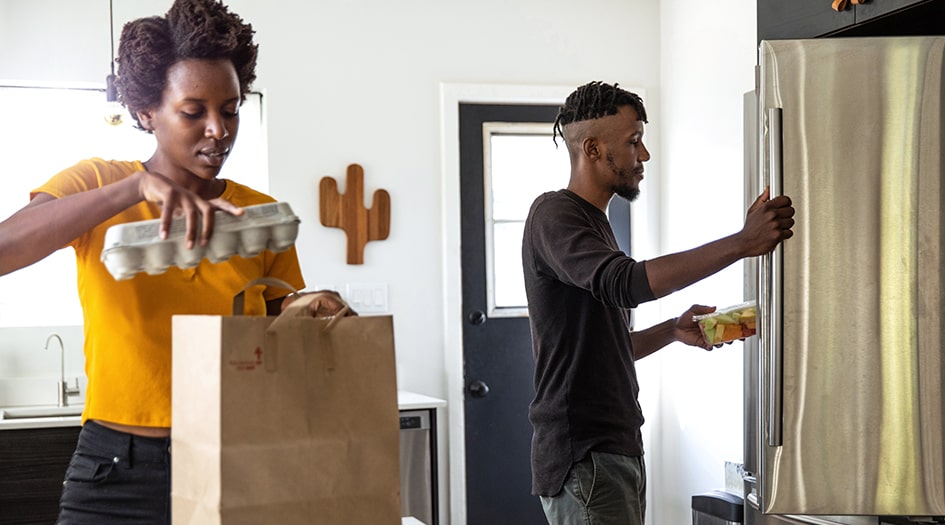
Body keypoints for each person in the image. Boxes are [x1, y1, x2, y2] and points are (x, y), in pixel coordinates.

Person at [0, 1, 347, 523]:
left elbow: (282, 342)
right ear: (145, 112)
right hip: (114, 472)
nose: (218, 130)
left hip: (235, 459)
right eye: (194, 112)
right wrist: (134, 188)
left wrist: (316, 312)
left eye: (230, 109)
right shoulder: (96, 184)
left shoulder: (258, 214)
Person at [522, 81, 795, 525]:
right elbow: (625, 282)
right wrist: (743, 242)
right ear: (592, 149)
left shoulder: (594, 223)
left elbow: (604, 349)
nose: (643, 155)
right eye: (633, 142)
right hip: (586, 457)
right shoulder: (555, 215)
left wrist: (672, 330)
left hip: (611, 452)